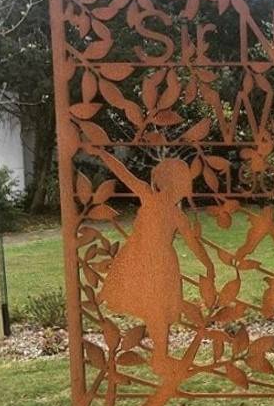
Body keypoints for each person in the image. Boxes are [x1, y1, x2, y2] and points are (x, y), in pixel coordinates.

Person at [86, 148, 215, 372]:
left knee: (160, 311)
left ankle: (161, 357)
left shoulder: (176, 214)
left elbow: (193, 242)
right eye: (182, 184)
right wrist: (103, 154)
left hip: (161, 263)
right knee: (155, 309)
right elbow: (125, 174)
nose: (183, 190)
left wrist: (208, 263)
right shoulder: (149, 196)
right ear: (172, 184)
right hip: (142, 258)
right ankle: (160, 357)